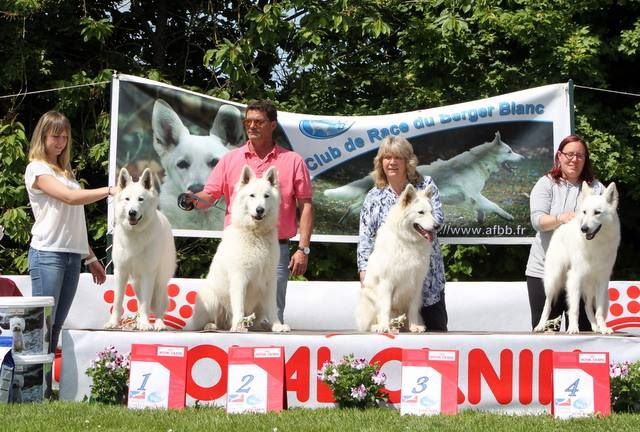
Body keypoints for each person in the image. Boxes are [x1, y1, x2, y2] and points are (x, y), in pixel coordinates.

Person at [183, 99, 314, 323]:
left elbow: (306, 205)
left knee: (273, 319)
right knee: (233, 297)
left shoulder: (292, 161)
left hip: (277, 245)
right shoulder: (229, 159)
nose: (252, 126)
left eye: (259, 122)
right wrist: (193, 199)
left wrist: (303, 248)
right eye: (249, 121)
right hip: (238, 240)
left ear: (273, 125)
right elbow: (210, 195)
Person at [24, 111, 113, 356]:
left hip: (73, 255)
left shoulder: (66, 172)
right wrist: (109, 190)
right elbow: (69, 198)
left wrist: (91, 258)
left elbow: (74, 222)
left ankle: (43, 383)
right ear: (42, 136)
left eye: (65, 137)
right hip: (47, 253)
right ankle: (30, 386)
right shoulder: (37, 169)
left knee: (56, 325)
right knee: (41, 324)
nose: (61, 142)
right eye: (56, 136)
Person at [357, 135, 448, 331]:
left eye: (398, 158)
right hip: (386, 292)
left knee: (436, 345)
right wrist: (365, 275)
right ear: (381, 163)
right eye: (387, 158)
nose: (392, 163)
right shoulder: (374, 197)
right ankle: (382, 319)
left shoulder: (425, 185)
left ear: (408, 162)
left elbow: (437, 220)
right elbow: (365, 239)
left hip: (429, 286)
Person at [525, 134, 604, 331]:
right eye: (569, 154)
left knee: (584, 333)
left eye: (580, 156)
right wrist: (560, 218)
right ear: (559, 156)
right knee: (546, 332)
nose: (574, 160)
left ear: (585, 159)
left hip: (584, 274)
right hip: (544, 270)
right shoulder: (546, 184)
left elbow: (606, 221)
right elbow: (538, 221)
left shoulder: (596, 188)